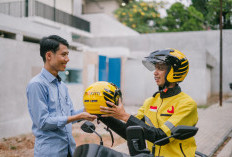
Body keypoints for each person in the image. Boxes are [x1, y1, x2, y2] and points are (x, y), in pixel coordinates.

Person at [99, 49, 198, 157]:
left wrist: (124, 116)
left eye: (160, 68)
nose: (155, 72)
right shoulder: (150, 102)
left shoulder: (187, 104)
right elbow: (131, 132)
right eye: (155, 67)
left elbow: (161, 137)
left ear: (174, 72)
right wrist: (103, 115)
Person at [26, 35, 97, 157]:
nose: (67, 59)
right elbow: (43, 122)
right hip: (50, 153)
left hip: (69, 150)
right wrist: (76, 117)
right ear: (49, 56)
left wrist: (91, 110)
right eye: (63, 55)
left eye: (67, 55)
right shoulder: (37, 85)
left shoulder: (62, 85)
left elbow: (70, 114)